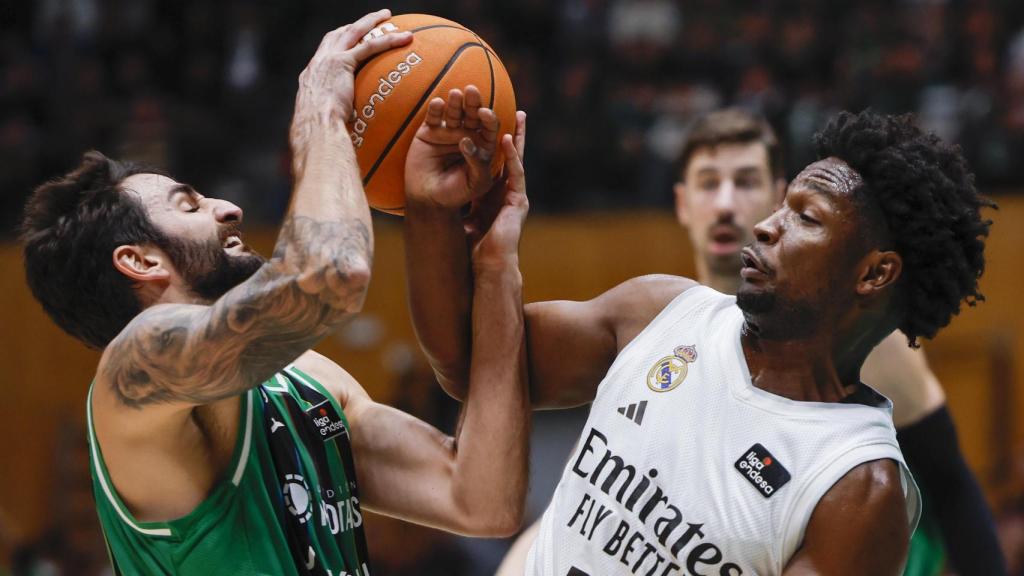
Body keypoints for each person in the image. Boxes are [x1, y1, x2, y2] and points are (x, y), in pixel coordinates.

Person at [19, 10, 531, 575]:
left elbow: (481, 498)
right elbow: (331, 273)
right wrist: (319, 117)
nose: (228, 208)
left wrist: (494, 263)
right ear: (139, 260)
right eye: (190, 206)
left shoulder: (310, 378)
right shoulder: (137, 372)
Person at [404, 102, 995, 574]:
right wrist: (436, 217)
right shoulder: (659, 310)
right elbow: (470, 365)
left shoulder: (856, 489)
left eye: (805, 218)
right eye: (783, 206)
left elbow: (954, 486)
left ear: (873, 273)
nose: (766, 223)